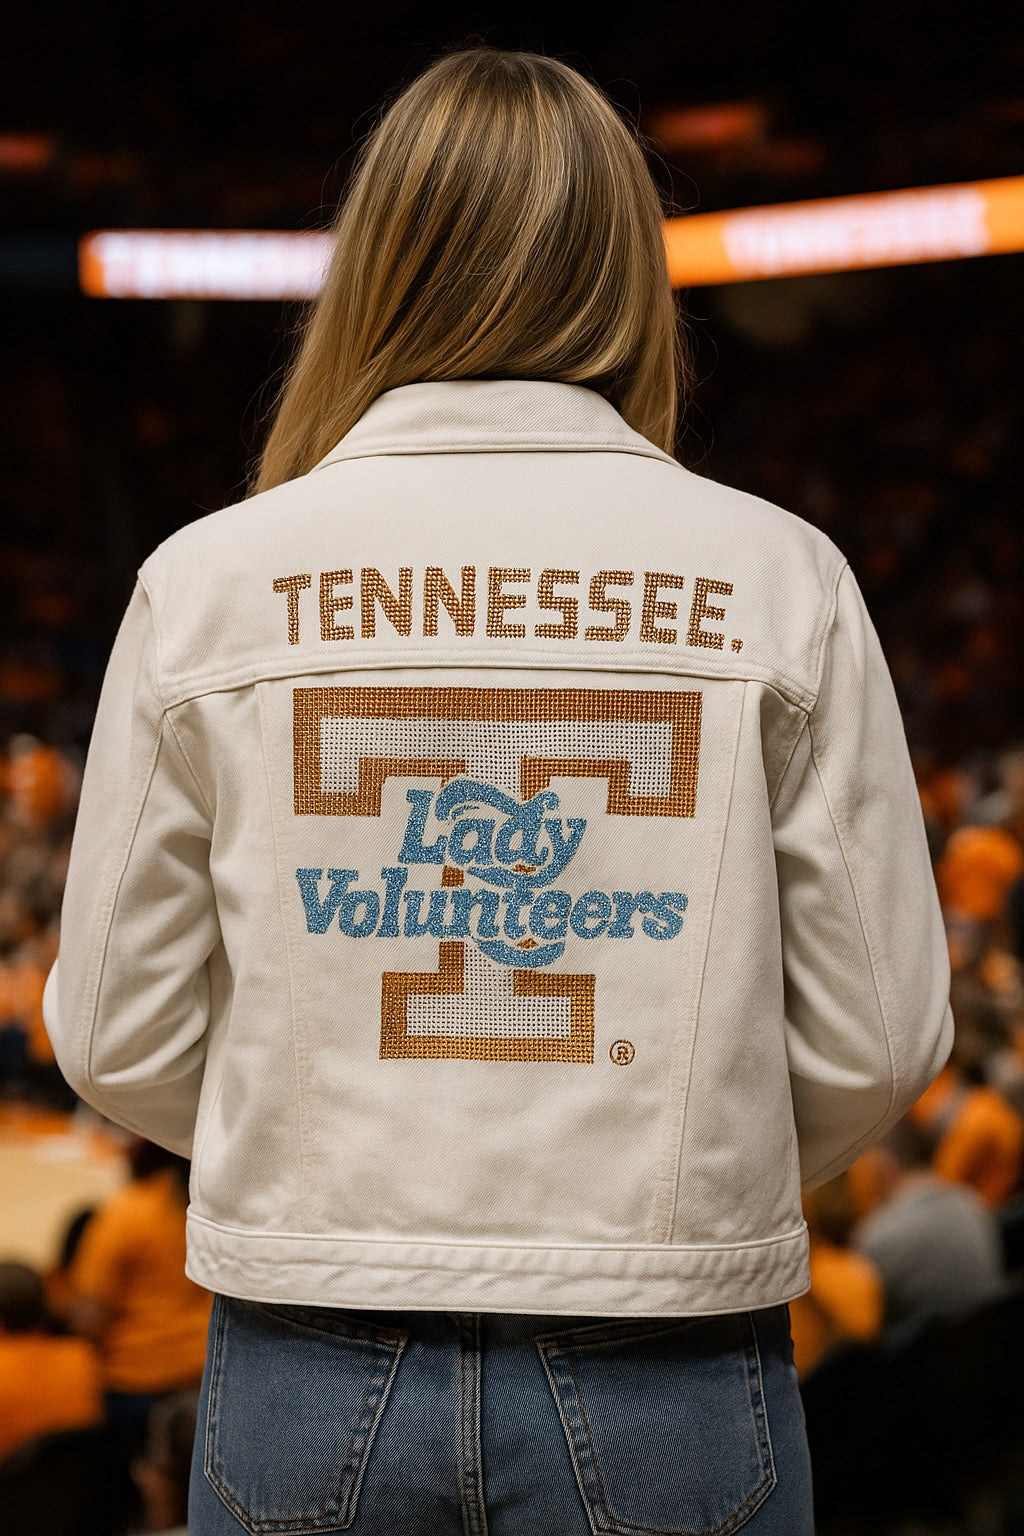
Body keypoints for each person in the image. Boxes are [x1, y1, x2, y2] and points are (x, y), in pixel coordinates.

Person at [43, 46, 953, 1536]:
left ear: (379, 263)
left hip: (303, 1354)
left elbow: (109, 1029)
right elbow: (881, 1030)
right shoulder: (780, 575)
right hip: (673, 1360)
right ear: (627, 268)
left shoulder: (208, 578)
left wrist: (343, 1151)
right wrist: (683, 1162)